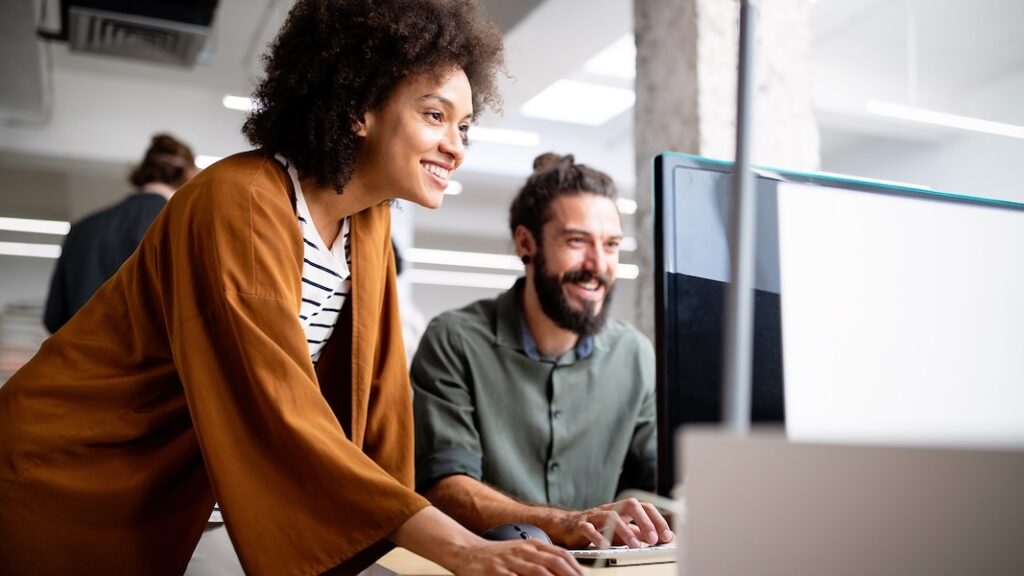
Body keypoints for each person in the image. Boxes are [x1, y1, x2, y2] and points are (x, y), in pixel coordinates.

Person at [0, 2, 583, 575]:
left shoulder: (368, 225)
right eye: (435, 116)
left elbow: (378, 414)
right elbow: (278, 405)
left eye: (463, 126)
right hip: (66, 479)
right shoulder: (238, 200)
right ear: (360, 107)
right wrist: (459, 548)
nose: (456, 145)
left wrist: (420, 542)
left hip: (171, 499)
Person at [411, 153, 675, 549]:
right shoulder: (454, 340)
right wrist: (565, 523)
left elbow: (658, 482)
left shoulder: (634, 353)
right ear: (526, 243)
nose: (598, 264)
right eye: (576, 241)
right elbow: (445, 489)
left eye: (612, 245)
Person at [43, 133, 196, 333]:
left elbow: (53, 318)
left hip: (79, 359)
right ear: (189, 176)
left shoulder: (82, 229)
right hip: (146, 362)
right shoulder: (180, 229)